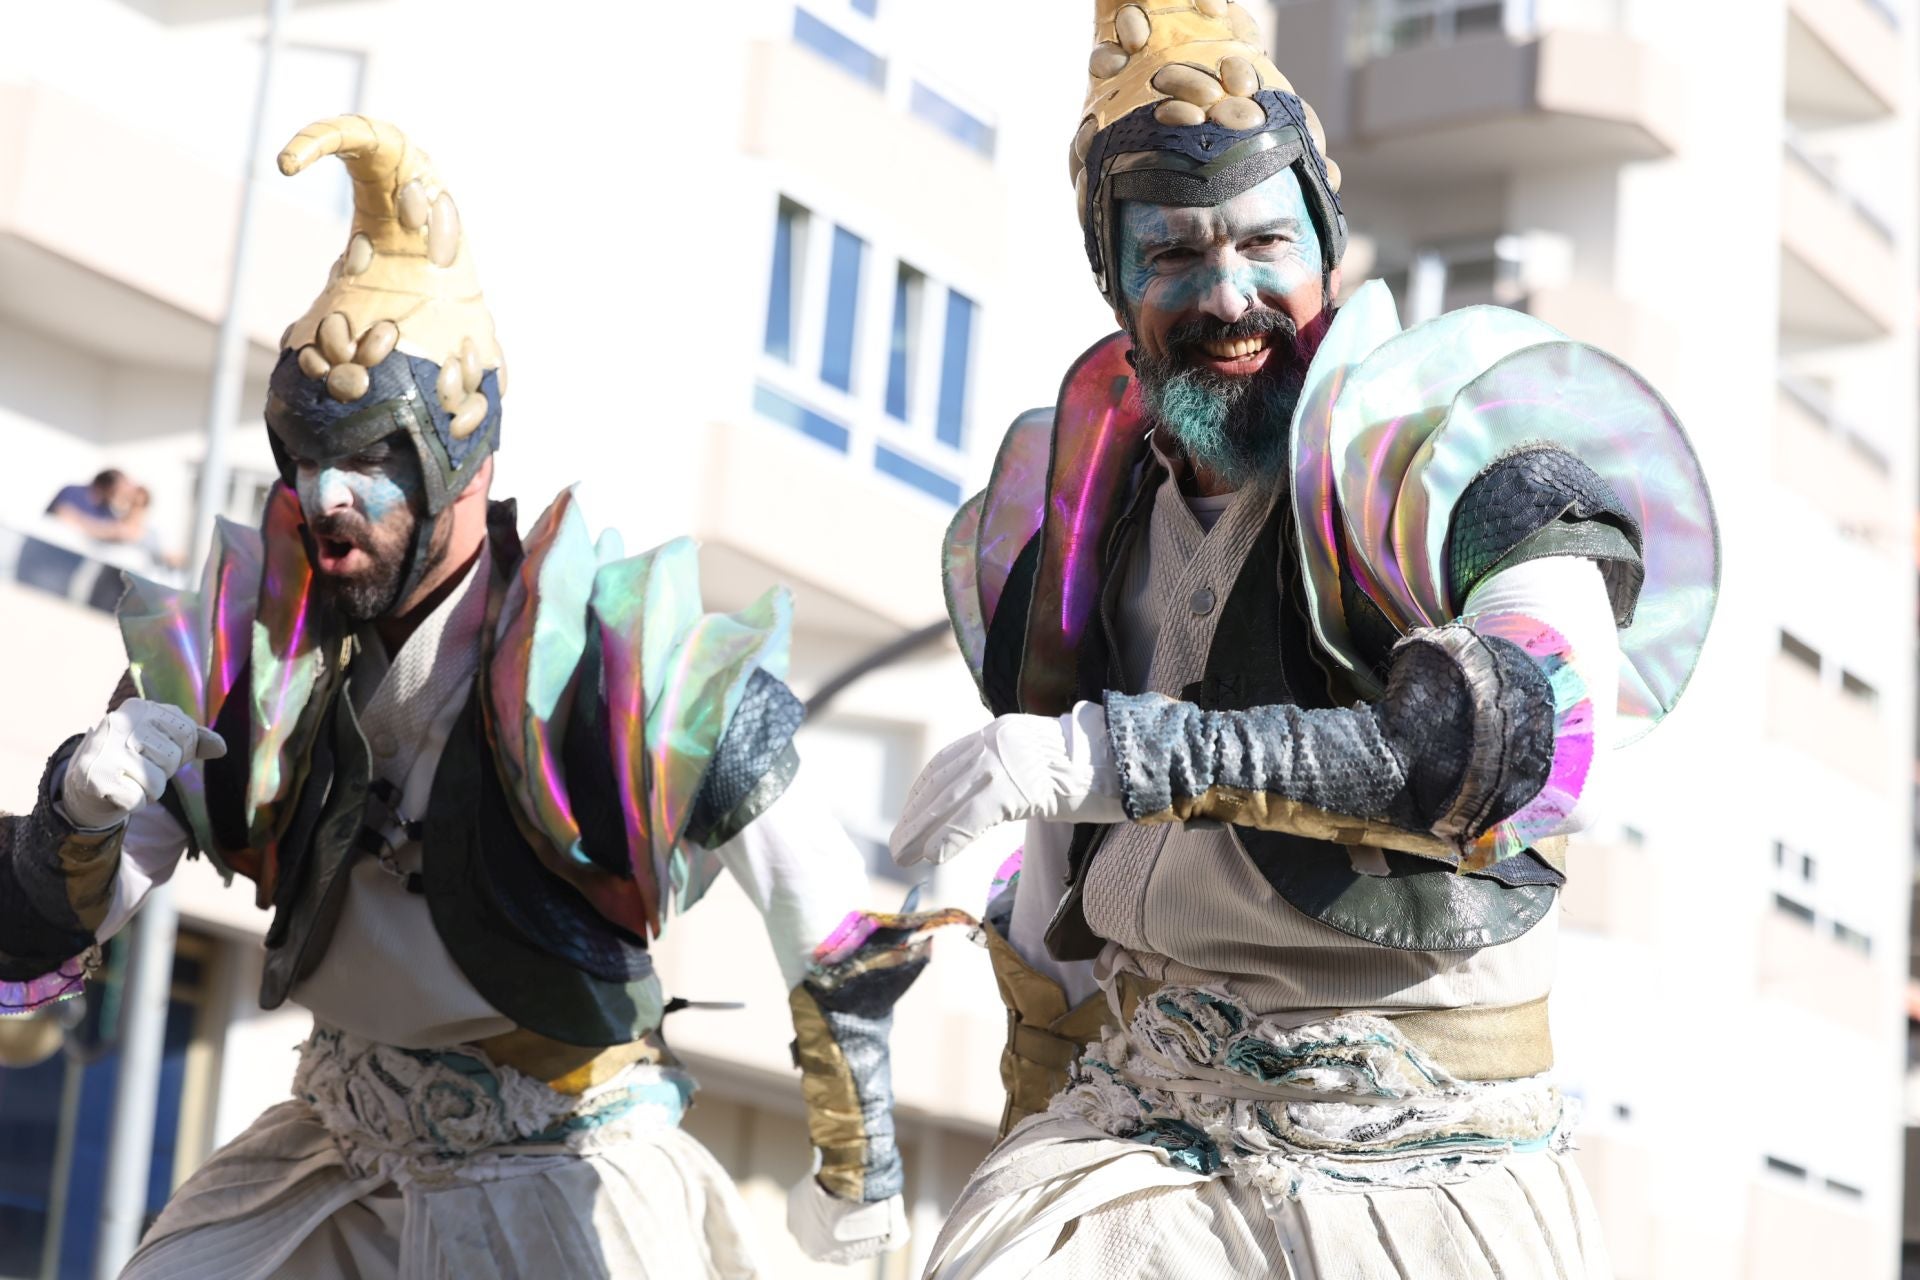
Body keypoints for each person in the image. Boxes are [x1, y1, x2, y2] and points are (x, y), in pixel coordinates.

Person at [0, 116, 945, 1279]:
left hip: (556, 1161)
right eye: (307, 455)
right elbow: (43, 943)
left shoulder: (618, 654)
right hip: (330, 1152)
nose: (329, 494)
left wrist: (861, 1160)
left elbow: (826, 905)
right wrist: (74, 818)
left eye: (374, 458)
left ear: (466, 458)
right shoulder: (240, 643)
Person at [890, 3, 1719, 1276]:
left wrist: (1134, 753)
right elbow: (1059, 928)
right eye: (1173, 254)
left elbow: (1517, 752)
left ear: (1328, 250)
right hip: (1134, 1153)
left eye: (1265, 241)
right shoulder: (1080, 523)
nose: (1228, 297)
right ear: (1117, 288)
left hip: (1405, 1181)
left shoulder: (1468, 464)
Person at [16, 470, 143, 599]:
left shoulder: (105, 509)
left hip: (63, 577)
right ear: (108, 486)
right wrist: (102, 530)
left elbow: (127, 533)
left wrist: (136, 505)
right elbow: (65, 515)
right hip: (38, 566)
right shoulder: (74, 492)